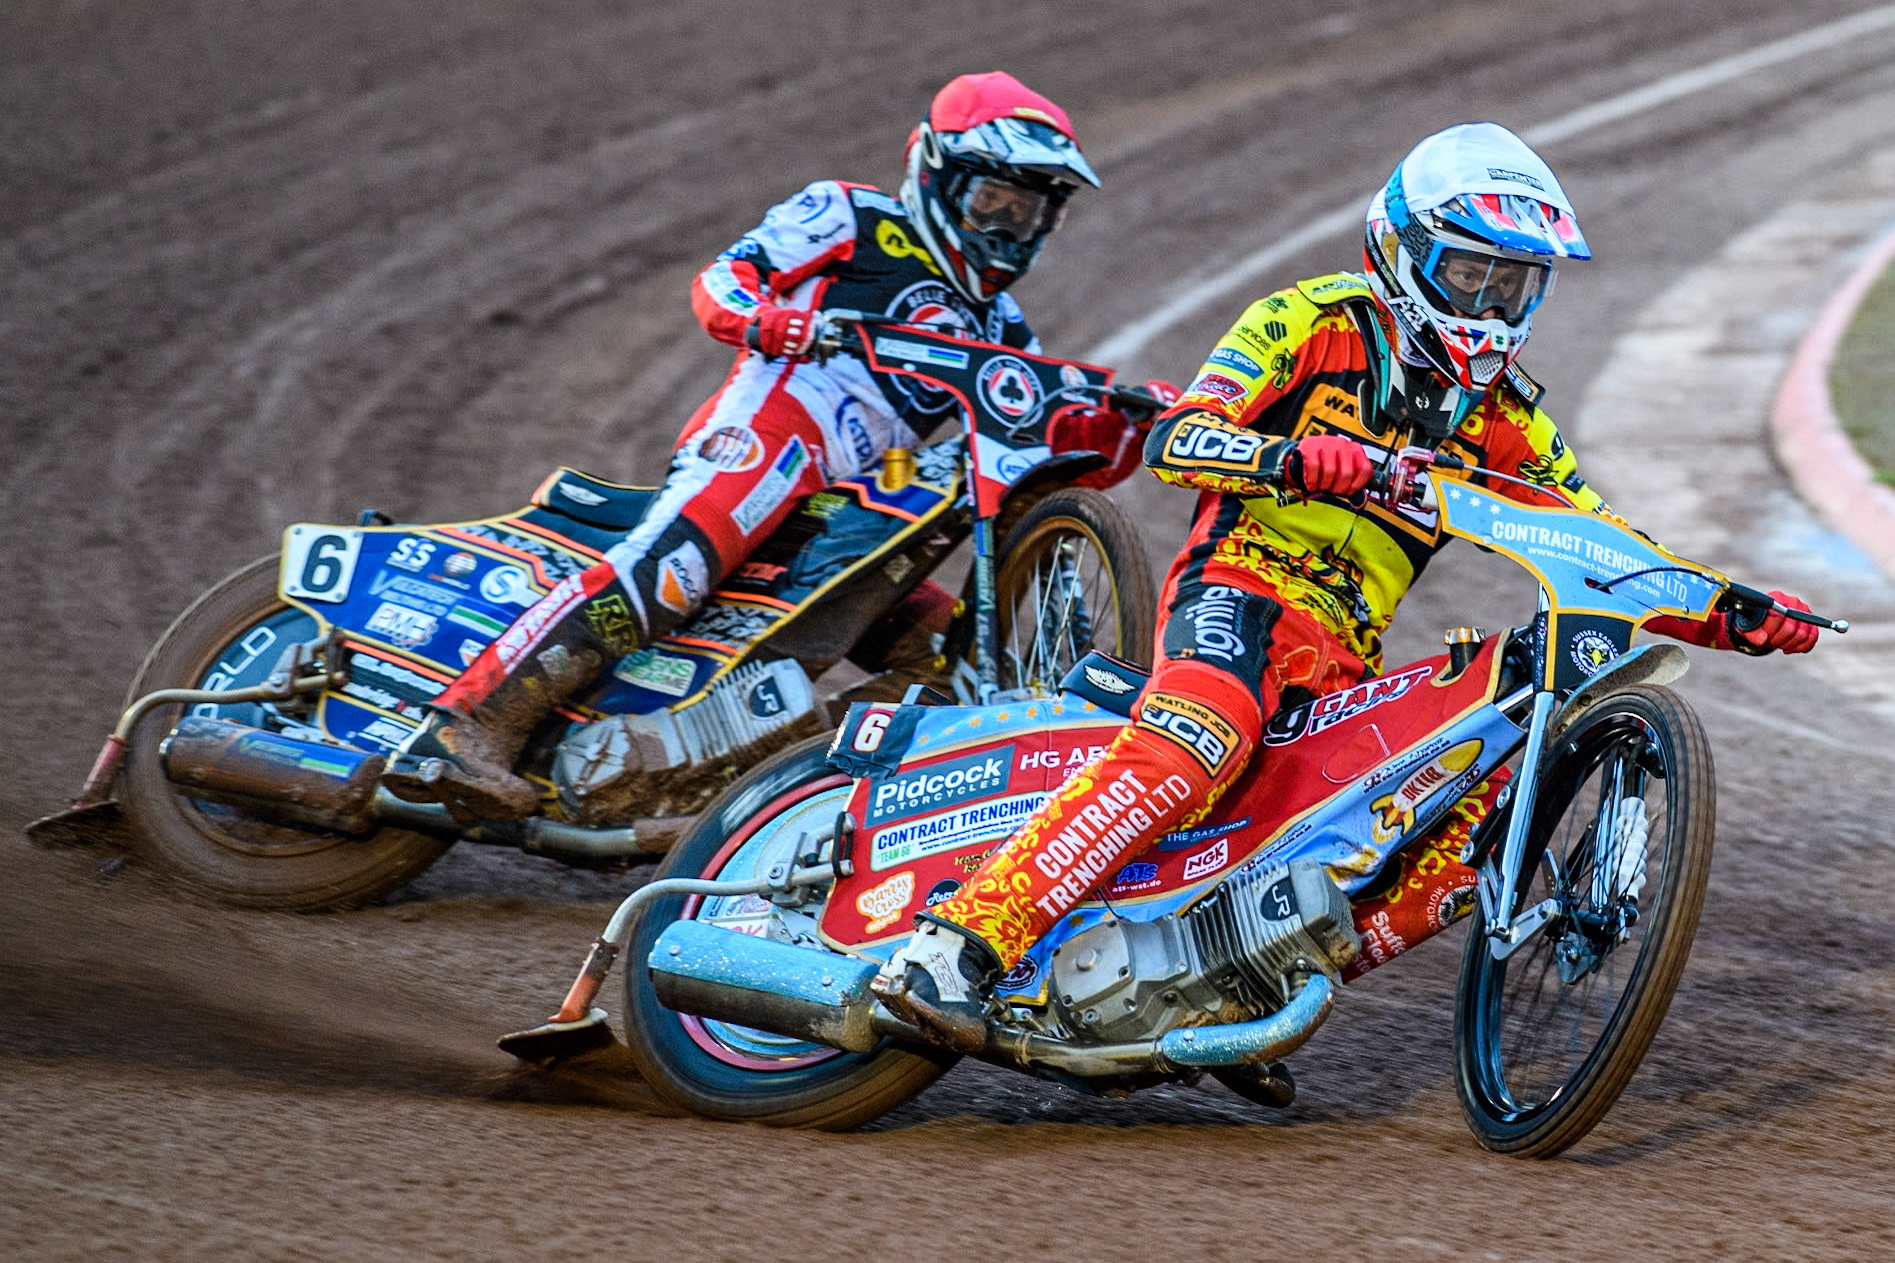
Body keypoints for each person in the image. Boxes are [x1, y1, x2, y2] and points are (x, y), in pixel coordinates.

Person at [873, 121, 1821, 1051]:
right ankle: (954, 949)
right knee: (1198, 743)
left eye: (1514, 286)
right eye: (1470, 274)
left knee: (1455, 815)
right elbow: (1178, 439)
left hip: (1341, 654)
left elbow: (1601, 541)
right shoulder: (1310, 320)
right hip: (1238, 593)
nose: (1490, 309)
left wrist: (1731, 607)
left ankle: (1230, 994)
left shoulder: (1506, 422)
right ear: (1402, 251)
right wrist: (1292, 460)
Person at [384, 71, 1143, 822]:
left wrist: (1135, 420)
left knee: (952, 666)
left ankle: (766, 791)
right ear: (938, 173)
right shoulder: (851, 214)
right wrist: (774, 322)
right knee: (671, 572)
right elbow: (725, 279)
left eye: (1028, 210)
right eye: (992, 201)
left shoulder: (998, 324)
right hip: (764, 442)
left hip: (851, 511)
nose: (1006, 228)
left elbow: (1045, 429)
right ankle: (461, 726)